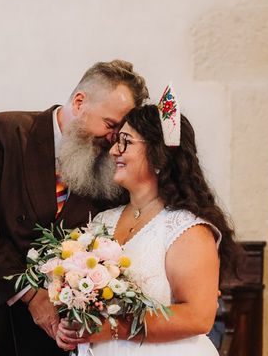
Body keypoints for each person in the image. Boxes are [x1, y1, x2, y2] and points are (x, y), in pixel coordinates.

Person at [0, 60, 148, 356]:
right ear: (79, 102)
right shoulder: (3, 132)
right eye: (110, 125)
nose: (112, 139)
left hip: (45, 336)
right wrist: (28, 294)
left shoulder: (107, 167)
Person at [55, 88, 239, 355]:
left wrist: (113, 328)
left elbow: (199, 316)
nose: (114, 151)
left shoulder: (186, 229)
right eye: (116, 141)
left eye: (126, 142)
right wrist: (72, 326)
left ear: (157, 154)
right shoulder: (103, 221)